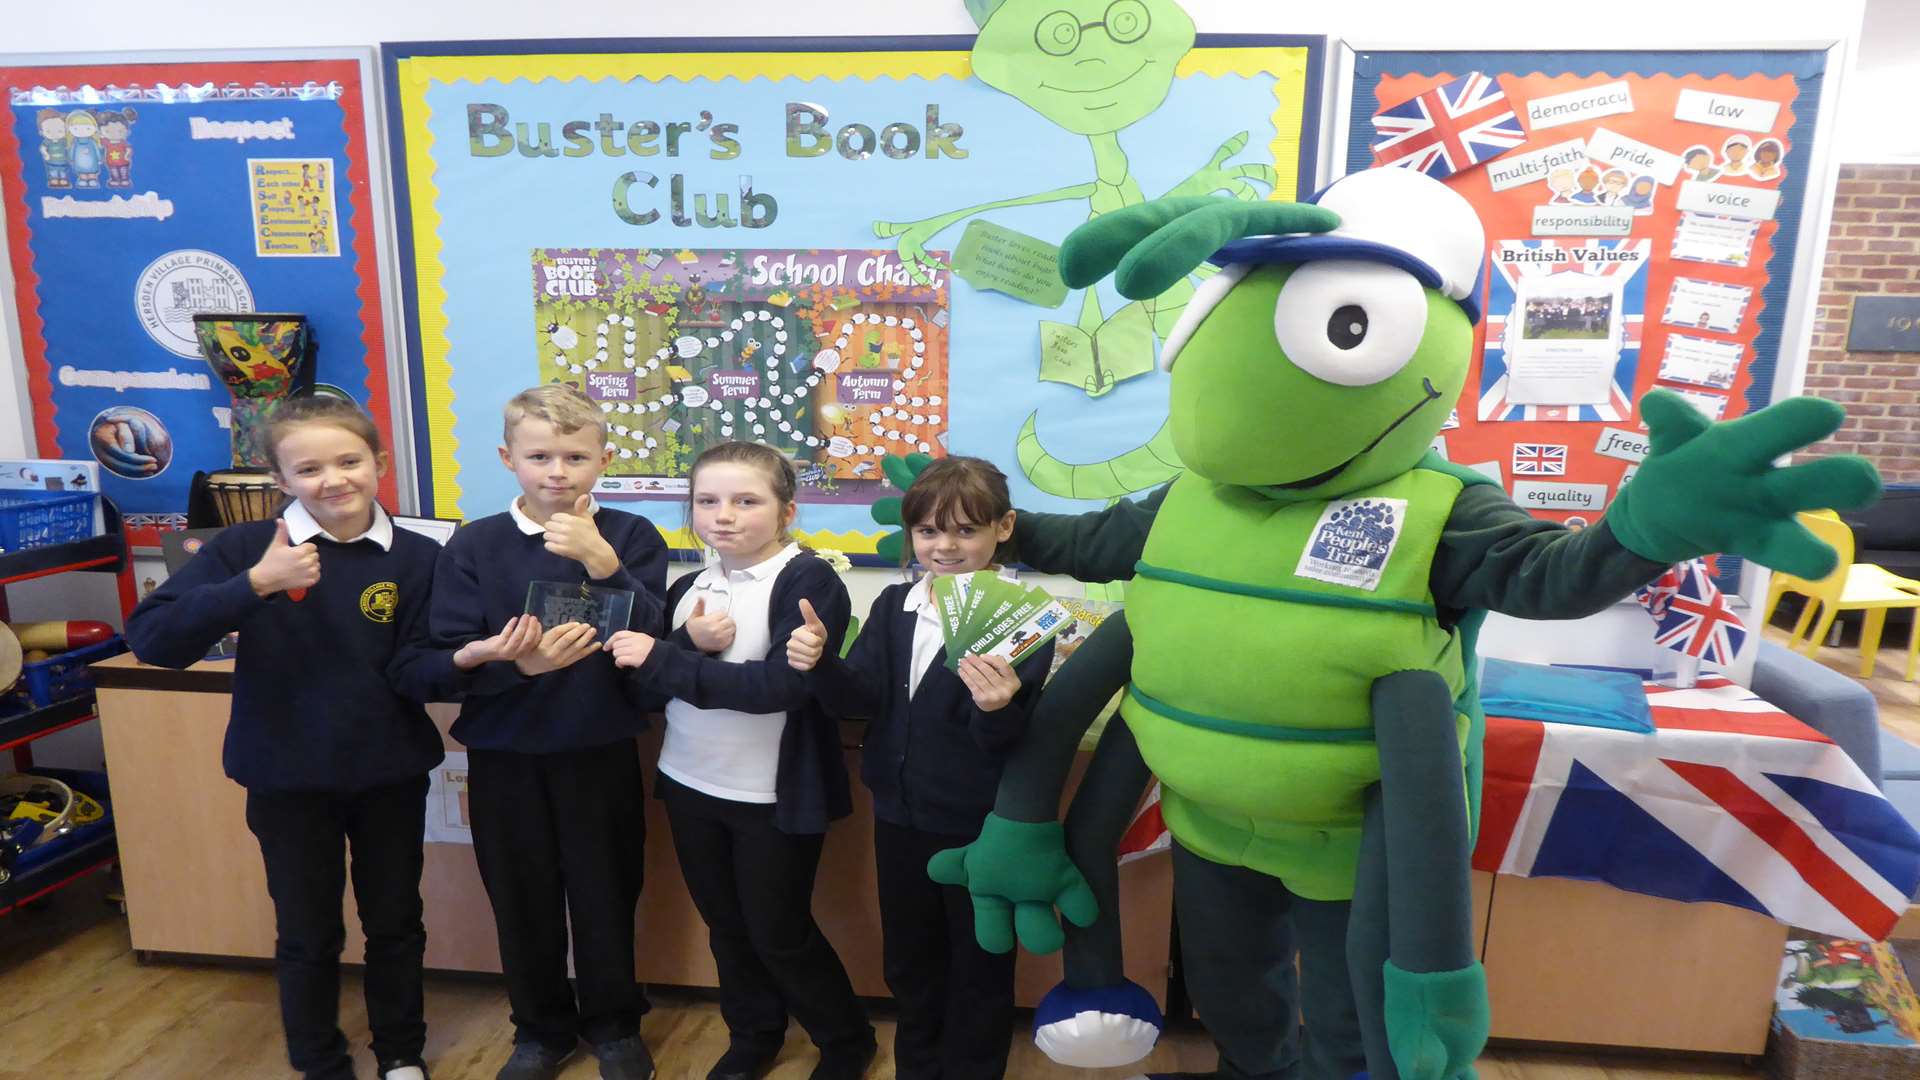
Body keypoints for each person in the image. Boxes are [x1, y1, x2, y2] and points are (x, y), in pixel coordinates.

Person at [126, 394, 518, 1080]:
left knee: (396, 921)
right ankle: (320, 1062)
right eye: (309, 469)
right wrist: (254, 585)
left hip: (388, 773)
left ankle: (400, 1053)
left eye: (349, 461)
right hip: (286, 777)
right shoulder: (249, 548)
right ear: (281, 480)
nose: (333, 479)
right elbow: (155, 640)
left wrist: (470, 659)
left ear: (379, 463)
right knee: (308, 932)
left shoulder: (420, 557)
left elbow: (416, 667)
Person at [606, 442, 875, 1080]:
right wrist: (680, 643)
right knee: (726, 927)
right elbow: (642, 689)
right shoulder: (690, 584)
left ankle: (846, 1038)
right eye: (708, 500)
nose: (724, 515)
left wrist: (670, 658)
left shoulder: (808, 581)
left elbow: (779, 688)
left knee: (779, 931)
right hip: (690, 782)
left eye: (747, 500)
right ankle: (754, 1034)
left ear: (787, 509)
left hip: (770, 797)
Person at [786, 457, 1052, 1080]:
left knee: (980, 961)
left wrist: (997, 708)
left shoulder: (1024, 618)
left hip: (979, 825)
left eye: (964, 530)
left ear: (1003, 528)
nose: (946, 546)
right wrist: (821, 660)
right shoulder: (895, 606)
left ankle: (974, 1069)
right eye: (929, 532)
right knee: (910, 960)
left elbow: (1006, 741)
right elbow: (862, 701)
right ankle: (918, 1068)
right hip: (898, 815)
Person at [430, 384, 668, 1080]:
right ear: (508, 458)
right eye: (539, 455)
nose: (557, 472)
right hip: (507, 751)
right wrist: (519, 665)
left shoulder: (630, 537)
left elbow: (658, 638)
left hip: (598, 748)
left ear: (605, 460)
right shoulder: (475, 543)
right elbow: (448, 652)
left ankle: (615, 1024)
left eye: (575, 456)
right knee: (521, 895)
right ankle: (538, 1028)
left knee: (605, 891)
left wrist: (603, 563)